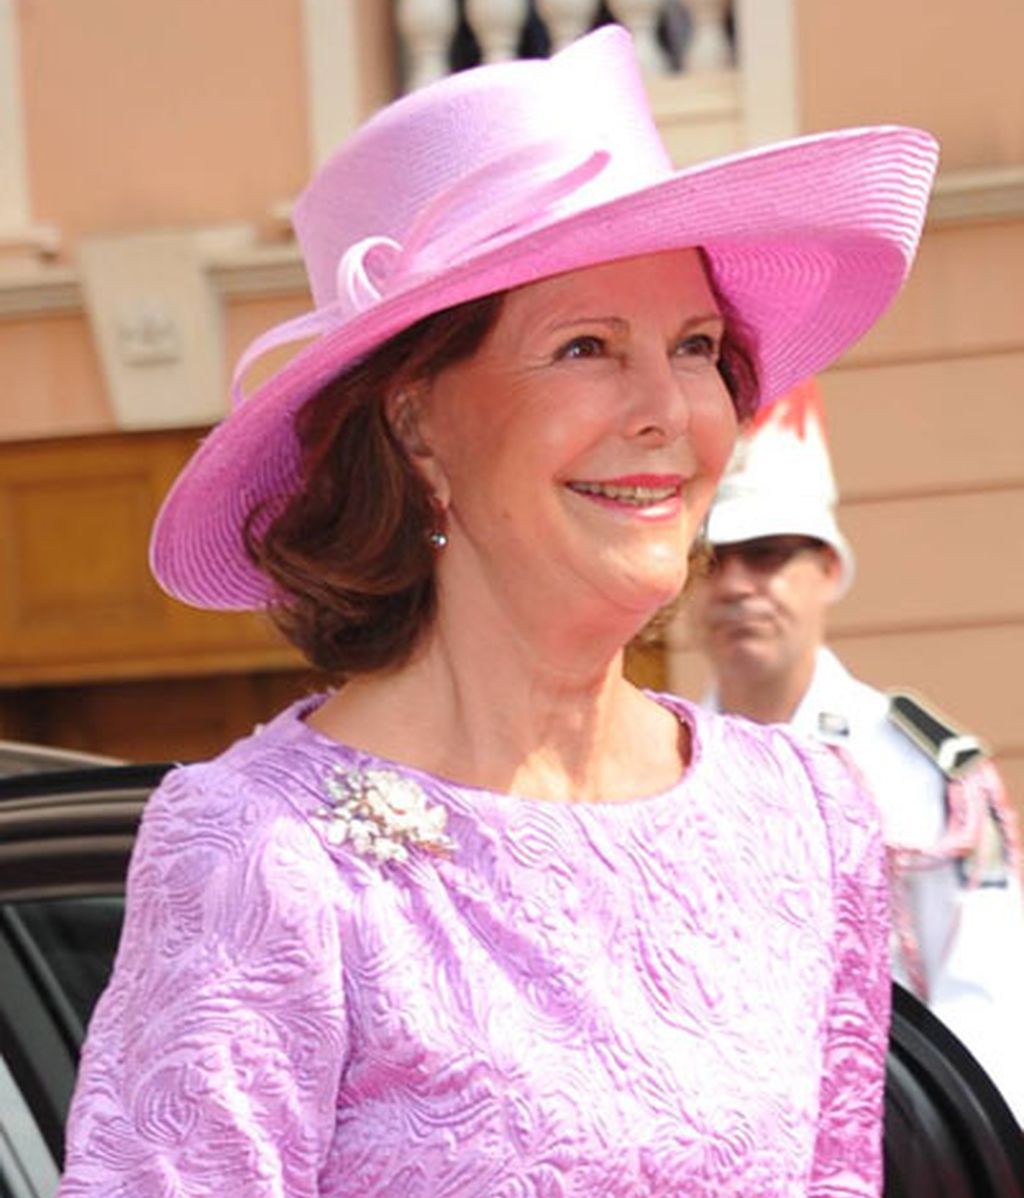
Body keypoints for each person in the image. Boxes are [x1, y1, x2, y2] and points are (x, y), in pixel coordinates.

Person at [57, 27, 938, 1197]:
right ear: (417, 423)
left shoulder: (805, 816)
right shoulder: (261, 854)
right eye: (585, 347)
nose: (665, 409)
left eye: (695, 346)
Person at [689, 378, 1024, 1122]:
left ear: (829, 569)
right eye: (712, 558)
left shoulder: (926, 773)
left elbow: (987, 1005)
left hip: (898, 1141)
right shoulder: (653, 765)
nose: (736, 585)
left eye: (767, 554)